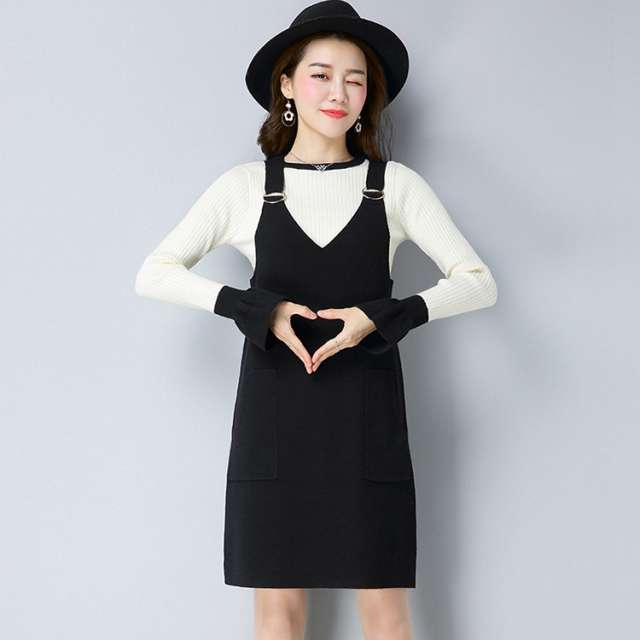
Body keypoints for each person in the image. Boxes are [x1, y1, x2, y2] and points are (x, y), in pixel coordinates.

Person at [135, 1, 497, 638]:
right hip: (274, 429)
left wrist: (381, 316)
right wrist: (256, 308)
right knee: (277, 612)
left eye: (355, 79)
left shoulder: (395, 186)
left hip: (366, 427)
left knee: (385, 612)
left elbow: (478, 283)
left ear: (368, 95)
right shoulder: (246, 186)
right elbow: (155, 272)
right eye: (321, 75)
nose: (339, 93)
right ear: (286, 84)